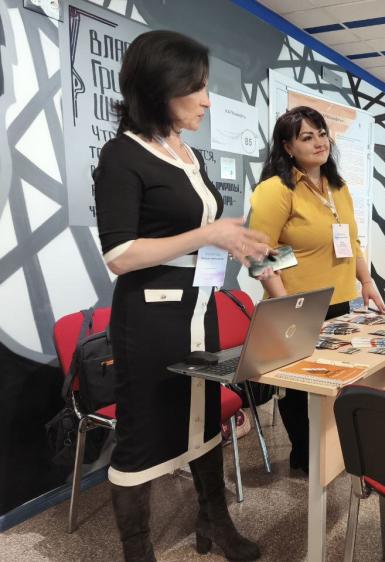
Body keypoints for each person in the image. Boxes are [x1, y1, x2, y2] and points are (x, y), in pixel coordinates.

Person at [94, 30, 271, 562]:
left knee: (205, 418)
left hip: (199, 310)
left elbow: (197, 235)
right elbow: (120, 254)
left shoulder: (185, 153)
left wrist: (237, 244)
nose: (207, 101)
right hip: (151, 321)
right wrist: (207, 234)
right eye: (196, 88)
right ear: (159, 87)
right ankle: (137, 550)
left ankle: (214, 522)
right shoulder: (122, 155)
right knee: (142, 434)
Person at [249, 106, 385, 473]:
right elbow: (260, 254)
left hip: (339, 302)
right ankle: (306, 456)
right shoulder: (276, 190)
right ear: (287, 147)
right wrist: (286, 306)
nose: (319, 142)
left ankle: (328, 451)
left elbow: (352, 242)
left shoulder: (338, 188)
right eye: (307, 137)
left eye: (322, 134)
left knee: (332, 382)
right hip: (295, 306)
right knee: (298, 389)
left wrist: (367, 281)